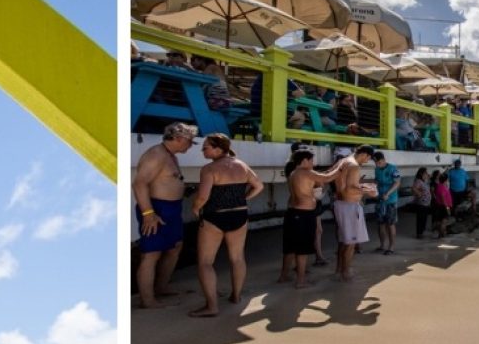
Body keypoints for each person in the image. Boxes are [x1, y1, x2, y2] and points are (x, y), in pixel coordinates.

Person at [189, 133, 263, 317]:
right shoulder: (241, 165)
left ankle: (212, 306)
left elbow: (203, 197)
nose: (202, 150)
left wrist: (196, 209)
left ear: (218, 148)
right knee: (237, 258)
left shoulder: (209, 169)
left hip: (215, 216)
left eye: (205, 147)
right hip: (239, 214)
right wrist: (244, 198)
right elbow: (259, 186)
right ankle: (236, 296)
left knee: (205, 262)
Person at [131, 122, 197, 308]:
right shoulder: (156, 155)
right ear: (178, 138)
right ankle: (148, 300)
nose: (190, 145)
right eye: (189, 141)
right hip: (156, 209)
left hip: (172, 209)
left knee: (175, 247)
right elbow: (139, 184)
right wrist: (148, 213)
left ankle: (161, 287)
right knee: (151, 254)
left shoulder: (170, 155)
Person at [278, 148, 343, 287]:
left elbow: (321, 175)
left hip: (292, 213)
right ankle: (301, 281)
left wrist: (334, 168)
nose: (313, 163)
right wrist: (341, 167)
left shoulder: (293, 172)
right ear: (305, 160)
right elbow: (327, 178)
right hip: (304, 214)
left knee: (289, 247)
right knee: (302, 249)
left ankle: (283, 276)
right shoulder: (306, 172)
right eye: (312, 160)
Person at [332, 145, 377, 281]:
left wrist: (362, 187)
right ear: (365, 154)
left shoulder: (343, 161)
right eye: (368, 158)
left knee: (343, 241)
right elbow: (350, 189)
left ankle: (339, 269)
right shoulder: (354, 165)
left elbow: (346, 186)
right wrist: (369, 191)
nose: (366, 161)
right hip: (349, 205)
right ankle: (346, 272)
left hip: (340, 204)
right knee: (350, 243)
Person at [370, 151, 401, 255]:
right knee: (380, 224)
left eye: (378, 162)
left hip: (390, 200)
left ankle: (391, 247)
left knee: (390, 224)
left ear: (383, 160)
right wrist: (371, 185)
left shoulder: (393, 168)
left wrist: (388, 193)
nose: (376, 164)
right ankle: (382, 245)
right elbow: (377, 181)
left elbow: (397, 183)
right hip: (380, 200)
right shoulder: (377, 170)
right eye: (375, 163)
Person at [411, 167, 431, 239]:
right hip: (421, 203)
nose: (427, 174)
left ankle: (422, 232)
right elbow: (413, 188)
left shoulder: (424, 180)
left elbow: (429, 176)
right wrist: (419, 194)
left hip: (426, 203)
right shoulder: (418, 181)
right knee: (421, 219)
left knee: (424, 218)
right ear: (422, 174)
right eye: (425, 173)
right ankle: (419, 233)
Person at [431, 171, 453, 238]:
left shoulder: (440, 186)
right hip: (443, 206)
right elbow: (443, 199)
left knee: (441, 221)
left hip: (441, 206)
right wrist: (447, 208)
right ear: (445, 180)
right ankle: (441, 234)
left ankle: (442, 233)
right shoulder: (442, 187)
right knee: (444, 222)